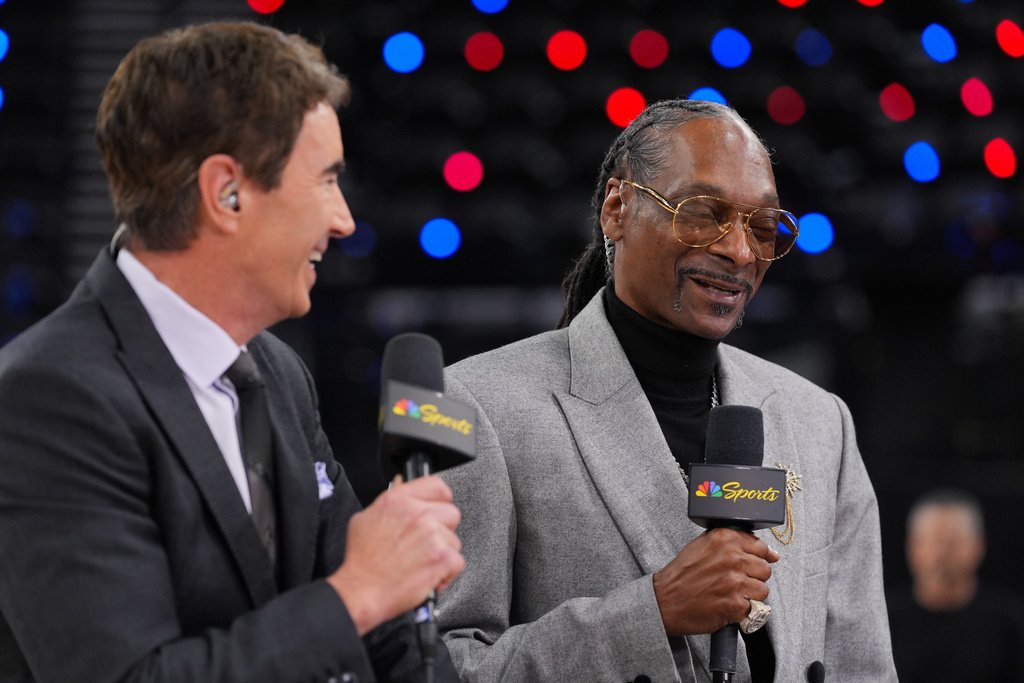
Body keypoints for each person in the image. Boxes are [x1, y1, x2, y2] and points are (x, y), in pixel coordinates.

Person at [0, 21, 465, 683]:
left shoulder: (277, 371)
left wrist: (375, 593)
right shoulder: (50, 395)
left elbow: (390, 633)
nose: (344, 220)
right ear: (227, 193)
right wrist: (355, 593)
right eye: (326, 180)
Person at [435, 99, 897, 682]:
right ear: (617, 208)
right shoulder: (479, 404)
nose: (739, 252)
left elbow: (863, 668)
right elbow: (438, 665)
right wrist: (650, 614)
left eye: (761, 226)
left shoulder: (820, 421)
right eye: (703, 212)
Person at [889, 488, 1024, 681]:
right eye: (936, 540)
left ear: (979, 546)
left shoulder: (1011, 624)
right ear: (912, 546)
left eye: (954, 541)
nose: (944, 552)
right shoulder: (884, 622)